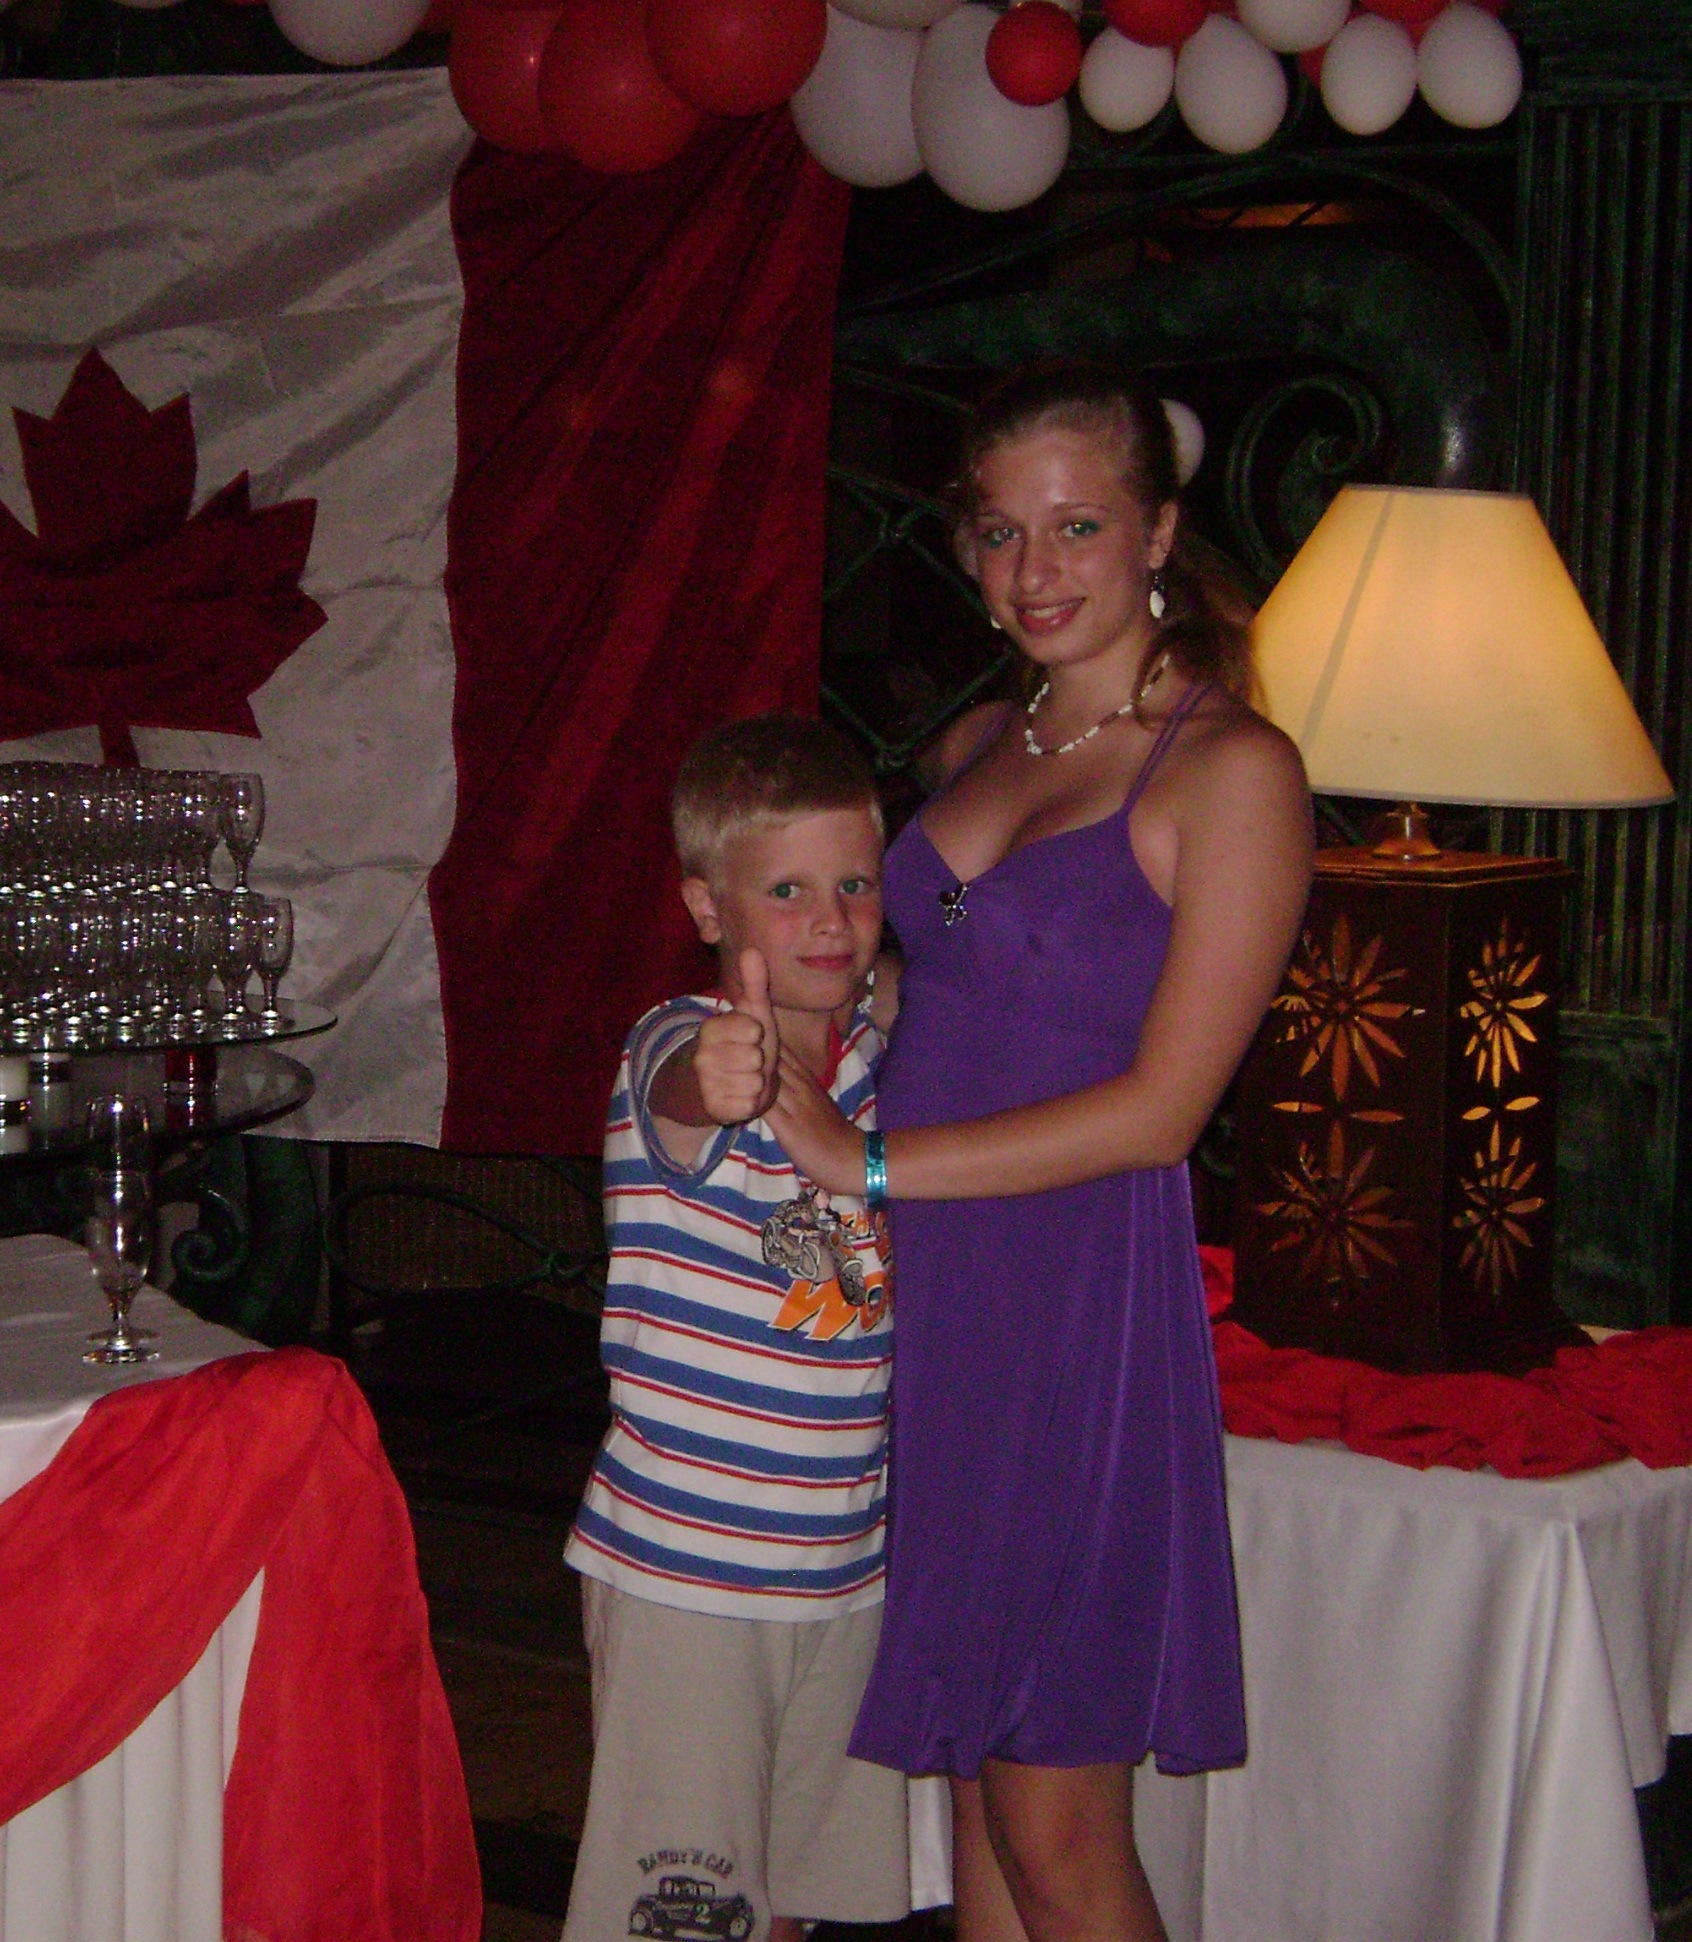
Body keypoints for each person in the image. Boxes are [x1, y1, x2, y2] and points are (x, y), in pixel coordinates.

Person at [765, 361, 1315, 1942]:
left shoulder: (1232, 772)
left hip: (1070, 1298)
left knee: (1054, 1814)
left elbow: (1163, 1109)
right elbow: (939, 970)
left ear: (1158, 533)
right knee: (976, 1783)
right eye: (1001, 532)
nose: (1036, 568)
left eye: (1078, 525)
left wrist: (864, 1164)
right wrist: (807, 1012)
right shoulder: (980, 743)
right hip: (929, 1296)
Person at [561, 714, 911, 1942]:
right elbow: (682, 1085)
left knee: (797, 1904)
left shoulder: (870, 1063)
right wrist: (718, 1075)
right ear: (709, 908)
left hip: (843, 1572)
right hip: (690, 1575)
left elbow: (937, 943)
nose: (830, 921)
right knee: (686, 1915)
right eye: (787, 891)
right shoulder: (678, 1043)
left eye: (855, 884)